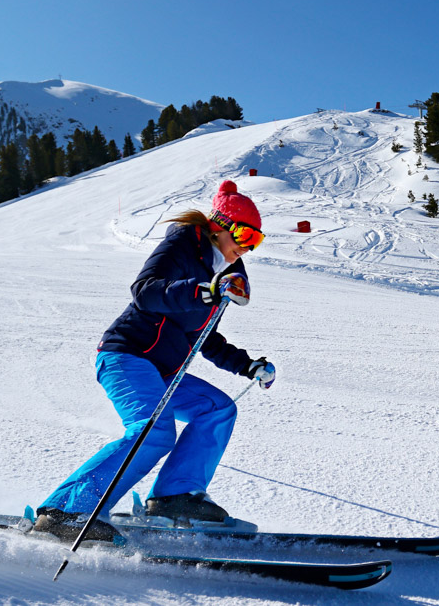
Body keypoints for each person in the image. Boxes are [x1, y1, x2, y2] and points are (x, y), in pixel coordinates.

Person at [34, 180, 273, 542]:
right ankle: (64, 511)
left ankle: (175, 497)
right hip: (126, 355)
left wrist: (247, 365)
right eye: (242, 234)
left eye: (255, 241)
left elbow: (203, 337)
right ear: (218, 225)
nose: (246, 247)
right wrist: (202, 292)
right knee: (153, 430)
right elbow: (144, 292)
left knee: (218, 409)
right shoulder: (183, 245)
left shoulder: (225, 273)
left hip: (164, 370)